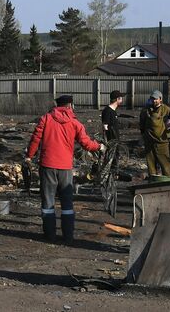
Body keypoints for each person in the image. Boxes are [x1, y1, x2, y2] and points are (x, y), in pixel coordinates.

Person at [25, 95, 104, 242]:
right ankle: (68, 236)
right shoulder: (75, 123)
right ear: (70, 106)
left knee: (48, 202)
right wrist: (99, 146)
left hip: (47, 166)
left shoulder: (46, 119)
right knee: (67, 202)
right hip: (65, 168)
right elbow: (86, 143)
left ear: (57, 105)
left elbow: (35, 138)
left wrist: (29, 156)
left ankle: (50, 235)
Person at [139, 90, 170, 178]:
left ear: (160, 99)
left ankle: (168, 183)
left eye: (156, 99)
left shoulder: (166, 110)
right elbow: (142, 123)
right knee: (151, 166)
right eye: (152, 99)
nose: (154, 101)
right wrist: (143, 135)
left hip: (162, 142)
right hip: (149, 141)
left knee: (166, 165)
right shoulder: (146, 110)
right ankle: (152, 184)